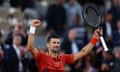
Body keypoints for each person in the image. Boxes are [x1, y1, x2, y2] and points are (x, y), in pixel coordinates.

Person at [27, 19, 102, 72]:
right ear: (48, 45)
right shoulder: (42, 57)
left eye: (58, 43)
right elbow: (30, 47)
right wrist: (32, 28)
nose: (56, 45)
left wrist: (95, 39)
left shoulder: (64, 58)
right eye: (54, 43)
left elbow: (83, 52)